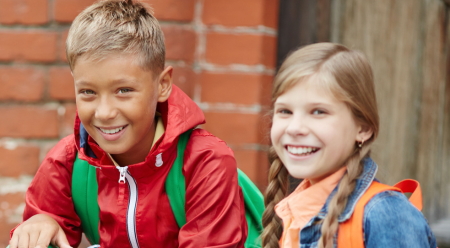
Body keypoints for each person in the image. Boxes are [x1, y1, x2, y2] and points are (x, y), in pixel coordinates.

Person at [8, 0, 248, 247]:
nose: (104, 112)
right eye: (88, 92)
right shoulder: (67, 163)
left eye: (123, 90)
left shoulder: (205, 163)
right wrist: (41, 225)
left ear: (163, 84)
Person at [261, 42, 436, 248]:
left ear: (362, 128)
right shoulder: (293, 212)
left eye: (318, 112)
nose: (294, 128)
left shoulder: (385, 215)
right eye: (285, 111)